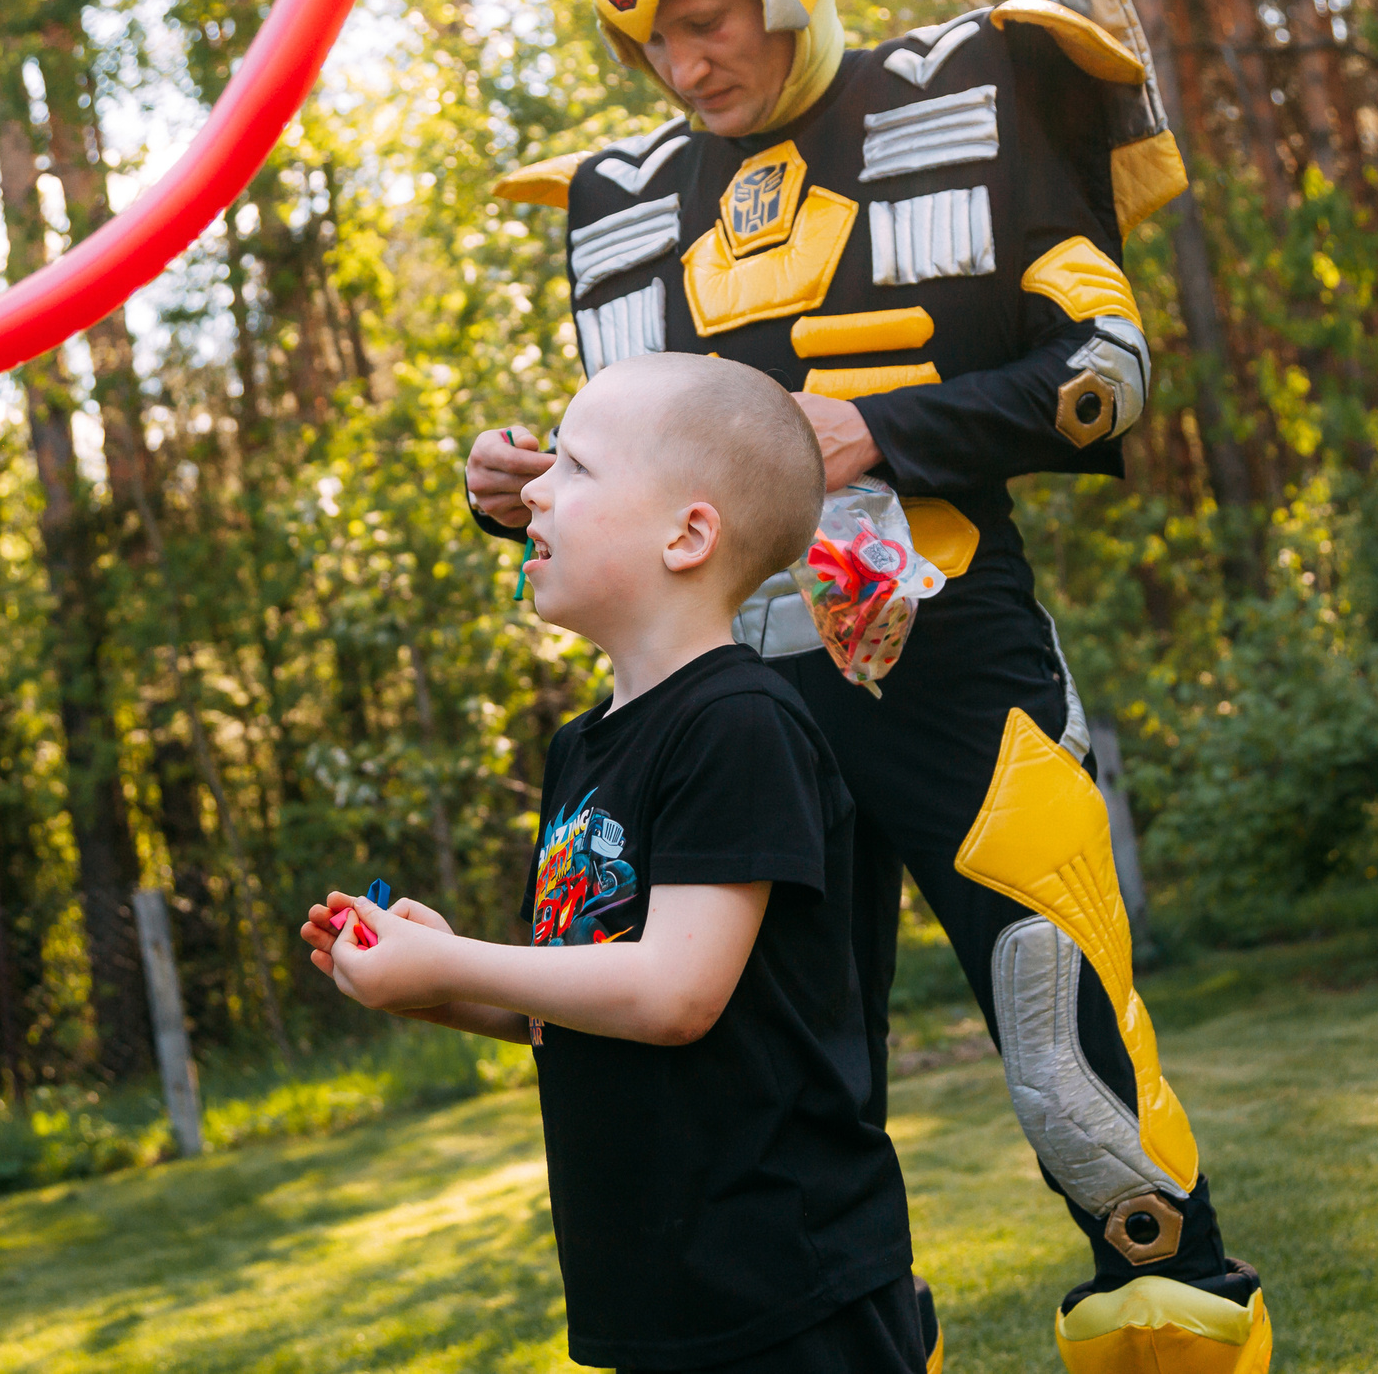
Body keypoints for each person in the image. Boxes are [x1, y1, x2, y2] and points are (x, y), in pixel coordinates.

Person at [467, 0, 1272, 1373]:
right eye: (650, 40)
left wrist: (885, 426)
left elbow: (1107, 367)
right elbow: (641, 491)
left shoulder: (979, 97)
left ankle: (1178, 1328)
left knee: (1066, 1058)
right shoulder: (622, 202)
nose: (684, 66)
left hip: (952, 661)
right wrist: (519, 483)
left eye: (705, 20)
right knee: (770, 1100)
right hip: (732, 707)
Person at [308, 352, 929, 1374]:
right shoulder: (583, 747)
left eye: (579, 469)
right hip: (659, 1286)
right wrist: (423, 977)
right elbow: (570, 1000)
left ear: (687, 535)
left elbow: (674, 993)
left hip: (785, 1276)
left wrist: (456, 964)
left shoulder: (739, 725)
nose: (535, 488)